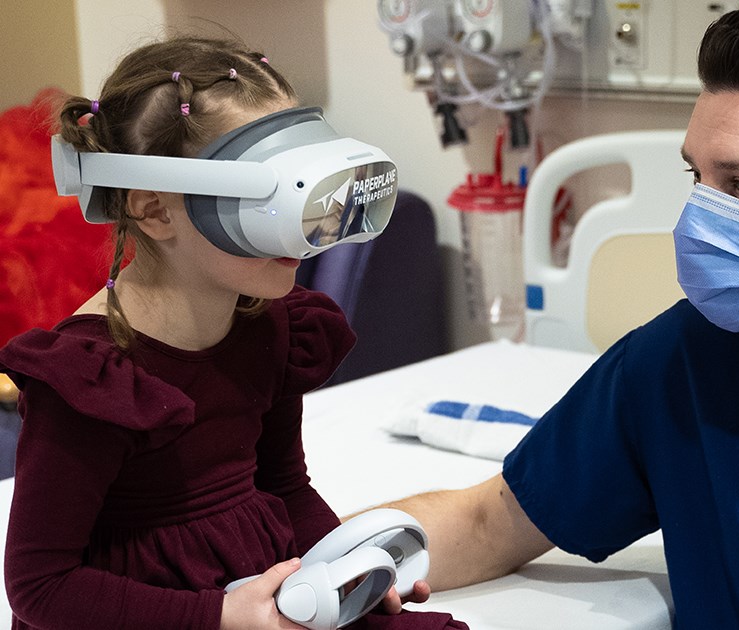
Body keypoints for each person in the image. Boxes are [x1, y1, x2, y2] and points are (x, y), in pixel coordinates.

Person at [380, 1, 739, 627]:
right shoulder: (679, 365)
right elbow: (487, 522)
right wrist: (296, 563)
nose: (699, 218)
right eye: (699, 177)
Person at [0, 37, 466, 630]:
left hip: (254, 589)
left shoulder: (267, 325)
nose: (308, 235)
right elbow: (40, 589)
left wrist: (356, 568)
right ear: (156, 209)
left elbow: (285, 487)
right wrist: (217, 616)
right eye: (272, 204)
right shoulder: (92, 380)